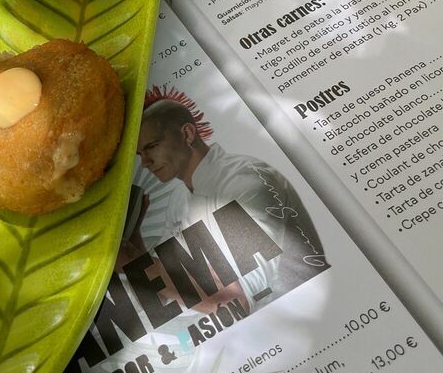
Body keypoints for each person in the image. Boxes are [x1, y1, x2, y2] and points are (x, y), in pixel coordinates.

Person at [129, 98, 328, 310]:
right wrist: (132, 242)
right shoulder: (180, 198)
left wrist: (133, 263)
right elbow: (162, 289)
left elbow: (238, 304)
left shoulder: (243, 183)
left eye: (152, 147)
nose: (145, 162)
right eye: (140, 154)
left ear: (187, 134)